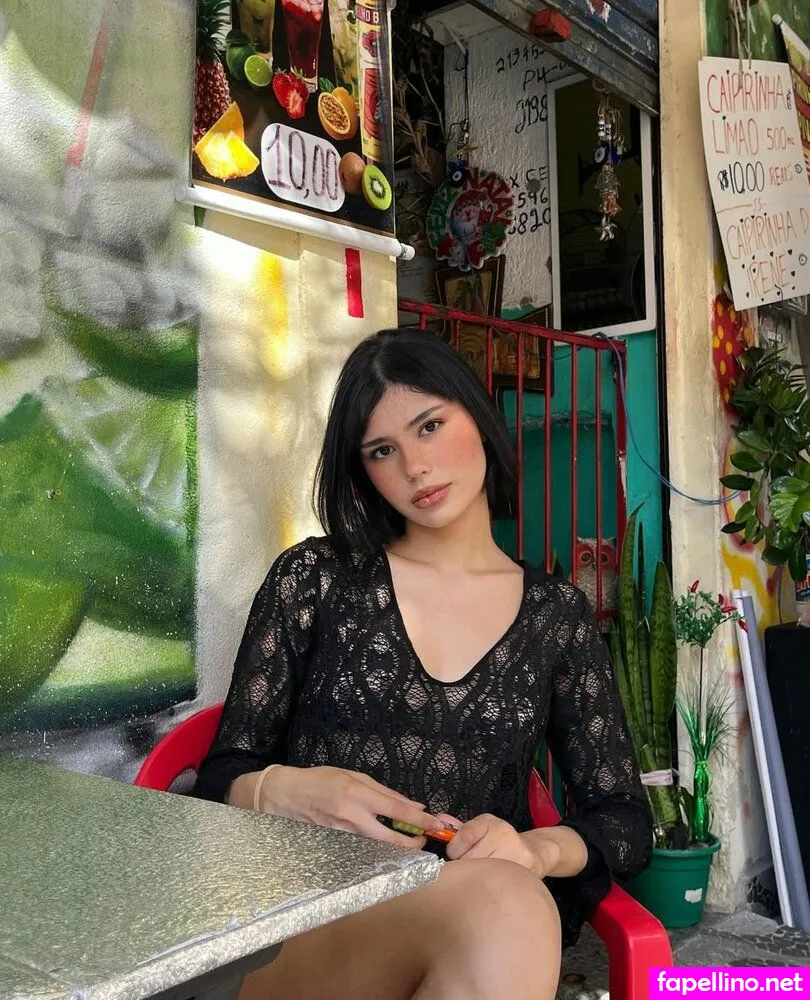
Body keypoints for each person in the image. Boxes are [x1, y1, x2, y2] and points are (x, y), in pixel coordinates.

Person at [194, 328, 653, 1000]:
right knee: (508, 910)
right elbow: (215, 782)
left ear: (478, 415)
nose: (414, 466)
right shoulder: (317, 580)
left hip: (469, 928)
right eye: (382, 450)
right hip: (300, 926)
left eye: (430, 426)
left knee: (506, 902)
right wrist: (278, 790)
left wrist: (534, 849)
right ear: (364, 470)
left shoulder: (556, 617)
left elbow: (626, 821)